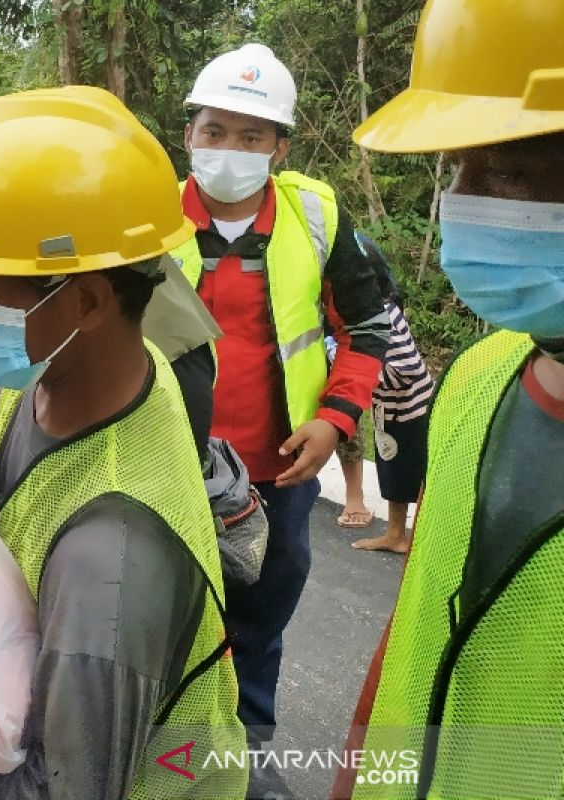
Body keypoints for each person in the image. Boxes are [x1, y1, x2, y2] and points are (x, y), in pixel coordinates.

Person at [0, 85, 247, 800]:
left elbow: (64, 787)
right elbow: (0, 396)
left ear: (87, 299)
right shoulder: (93, 369)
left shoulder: (112, 564)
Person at [334, 2, 564, 797]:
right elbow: (418, 625)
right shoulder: (480, 375)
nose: (457, 202)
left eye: (502, 170)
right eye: (454, 169)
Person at [169, 43, 389, 770]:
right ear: (189, 134)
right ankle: (160, 767)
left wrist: (335, 419)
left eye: (252, 135)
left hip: (278, 478)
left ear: (280, 147)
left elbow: (366, 328)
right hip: (164, 471)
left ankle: (244, 768)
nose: (230, 149)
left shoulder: (315, 215)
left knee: (257, 634)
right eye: (215, 131)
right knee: (165, 626)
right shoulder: (150, 218)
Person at [337, 233, 433, 552]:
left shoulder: (385, 314)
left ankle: (415, 537)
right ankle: (395, 534)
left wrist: (366, 377)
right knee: (392, 470)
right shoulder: (371, 314)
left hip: (410, 410)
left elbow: (407, 368)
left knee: (413, 473)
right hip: (389, 409)